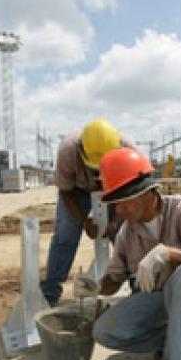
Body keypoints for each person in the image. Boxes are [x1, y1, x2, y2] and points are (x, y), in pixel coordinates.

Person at [74, 147, 181, 360]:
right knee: (104, 332)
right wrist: (94, 287)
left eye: (124, 202)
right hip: (159, 301)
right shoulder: (127, 232)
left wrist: (170, 254)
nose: (119, 210)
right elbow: (113, 281)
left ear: (147, 193)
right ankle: (174, 341)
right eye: (115, 203)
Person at [40, 119, 129, 307]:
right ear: (81, 152)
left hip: (115, 190)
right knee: (65, 234)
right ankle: (50, 290)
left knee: (125, 233)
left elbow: (130, 192)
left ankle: (136, 281)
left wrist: (115, 221)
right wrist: (83, 221)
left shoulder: (128, 151)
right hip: (76, 191)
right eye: (94, 169)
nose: (98, 175)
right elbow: (65, 191)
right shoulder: (68, 151)